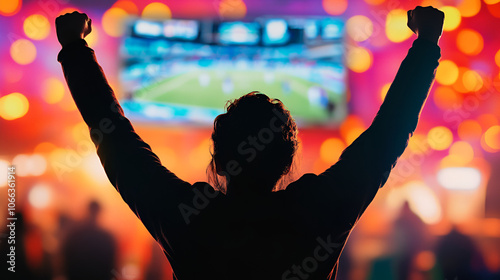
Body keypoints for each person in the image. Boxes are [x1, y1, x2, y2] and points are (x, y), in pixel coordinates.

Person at [55, 6, 444, 280]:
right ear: (286, 160)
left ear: (219, 160)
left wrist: (74, 49)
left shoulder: (188, 217)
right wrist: (426, 43)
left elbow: (117, 141)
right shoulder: (320, 209)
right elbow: (388, 134)